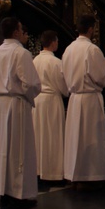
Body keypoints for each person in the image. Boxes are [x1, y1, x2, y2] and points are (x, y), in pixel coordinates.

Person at [0, 17, 42, 208]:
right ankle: (18, 193)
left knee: (2, 149)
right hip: (16, 104)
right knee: (18, 150)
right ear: (16, 32)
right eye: (20, 28)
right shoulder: (21, 52)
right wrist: (30, 95)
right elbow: (31, 83)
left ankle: (4, 190)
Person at [62, 15, 105, 186]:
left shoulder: (69, 48)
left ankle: (74, 174)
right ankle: (90, 176)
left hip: (75, 98)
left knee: (76, 138)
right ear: (91, 29)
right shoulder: (91, 50)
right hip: (90, 98)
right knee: (90, 138)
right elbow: (103, 74)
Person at [32, 30, 69, 182]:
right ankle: (52, 171)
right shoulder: (56, 62)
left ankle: (38, 168)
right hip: (52, 100)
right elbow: (63, 85)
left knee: (39, 135)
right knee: (52, 136)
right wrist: (66, 92)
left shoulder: (35, 61)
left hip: (37, 100)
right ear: (53, 42)